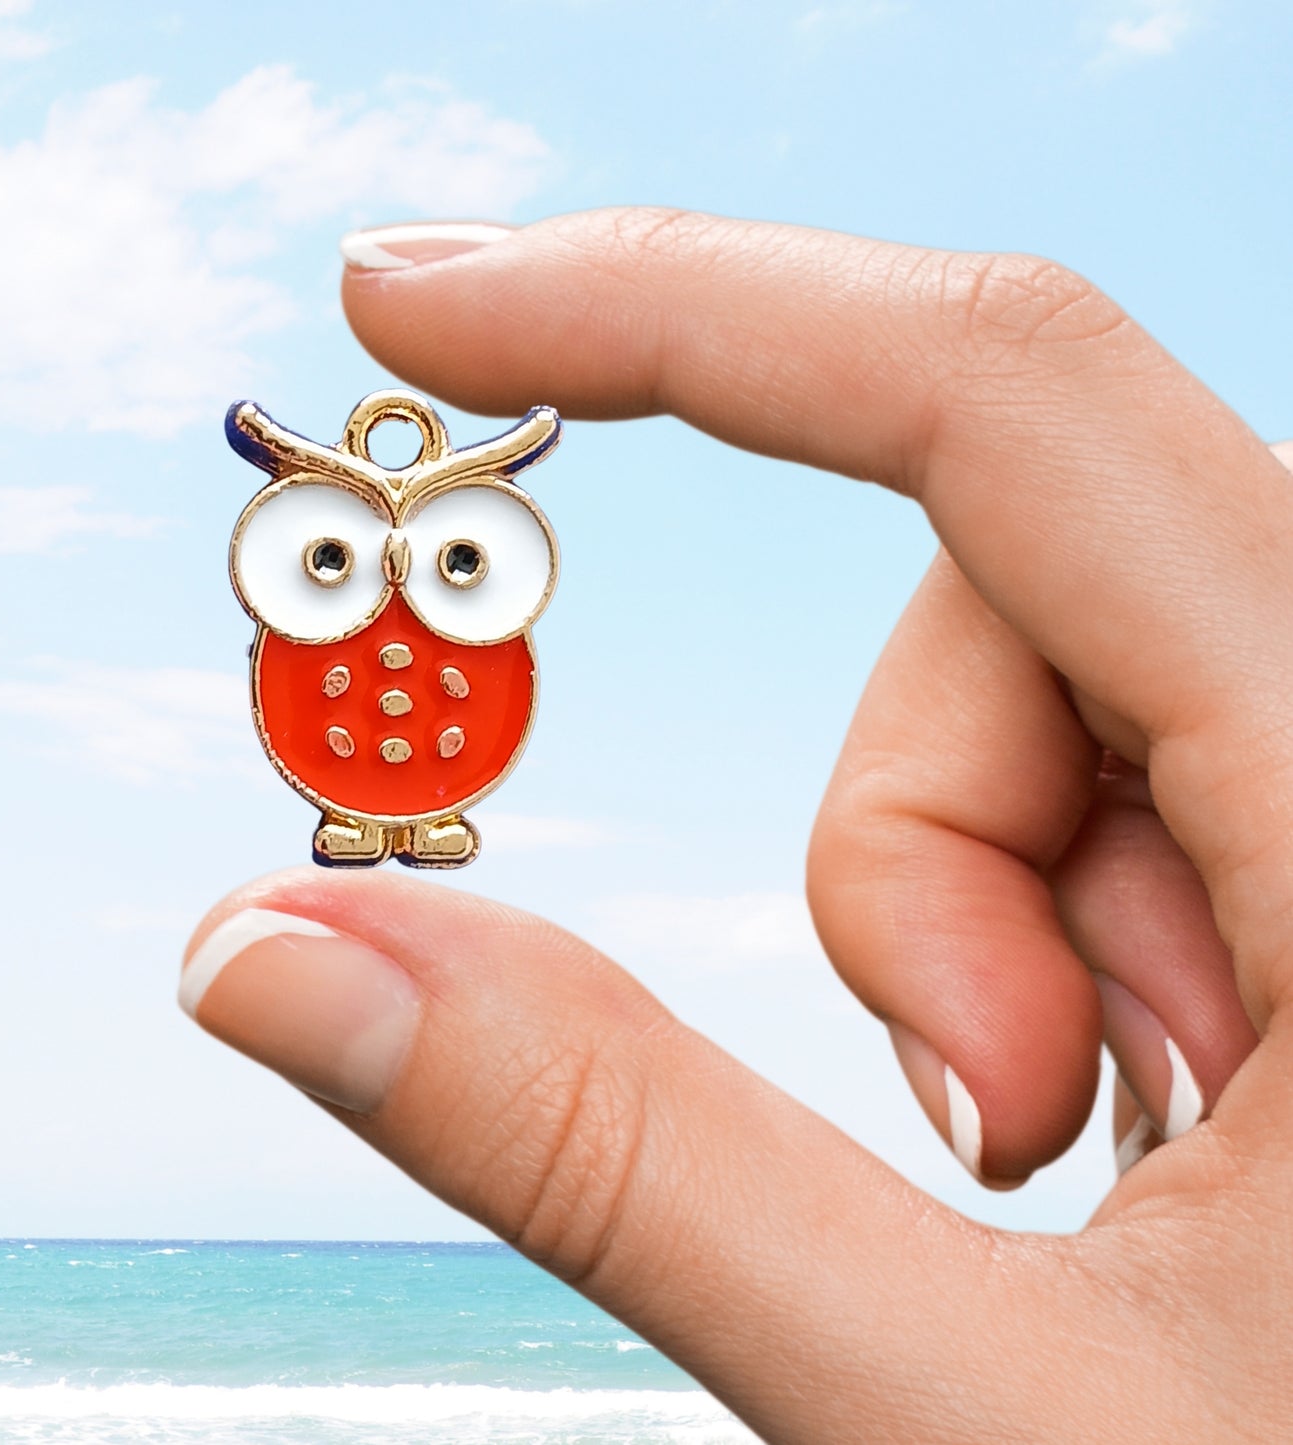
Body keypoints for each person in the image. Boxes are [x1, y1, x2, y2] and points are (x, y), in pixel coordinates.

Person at [178, 209, 1293, 1442]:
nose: (394, 591)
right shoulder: (312, 659)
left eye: (449, 561)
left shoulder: (476, 662)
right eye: (329, 558)